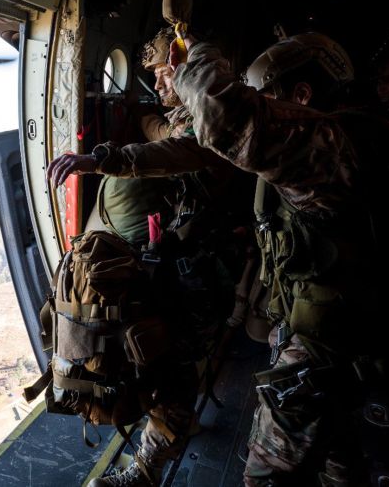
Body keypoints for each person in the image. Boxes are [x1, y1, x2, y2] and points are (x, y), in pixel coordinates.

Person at [50, 32, 389, 485]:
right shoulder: (332, 139)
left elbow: (224, 123)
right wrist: (106, 160)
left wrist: (193, 51)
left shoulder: (325, 144)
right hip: (322, 320)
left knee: (267, 472)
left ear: (301, 96)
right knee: (332, 431)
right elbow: (191, 147)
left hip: (328, 334)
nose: (262, 106)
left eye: (267, 98)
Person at [73, 28, 250, 487]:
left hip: (203, 268)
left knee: (175, 369)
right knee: (176, 362)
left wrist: (102, 159)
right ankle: (178, 420)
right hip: (190, 262)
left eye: (164, 72)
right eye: (152, 73)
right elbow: (163, 130)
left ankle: (146, 473)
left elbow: (171, 148)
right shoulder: (191, 118)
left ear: (188, 72)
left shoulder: (213, 125)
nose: (158, 82)